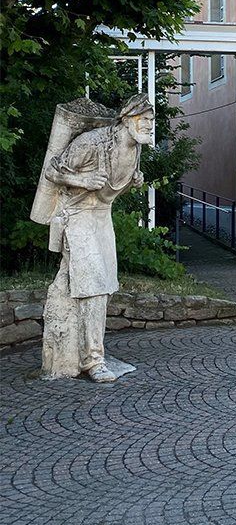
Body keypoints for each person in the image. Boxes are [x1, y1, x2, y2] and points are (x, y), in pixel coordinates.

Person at [36, 94, 155, 382]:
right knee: (94, 285)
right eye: (144, 119)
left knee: (106, 285)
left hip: (102, 216)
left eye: (152, 119)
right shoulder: (92, 142)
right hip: (77, 215)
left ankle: (91, 352)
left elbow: (111, 189)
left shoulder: (135, 148)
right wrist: (82, 180)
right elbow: (52, 170)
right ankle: (93, 361)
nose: (150, 125)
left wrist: (133, 183)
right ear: (126, 120)